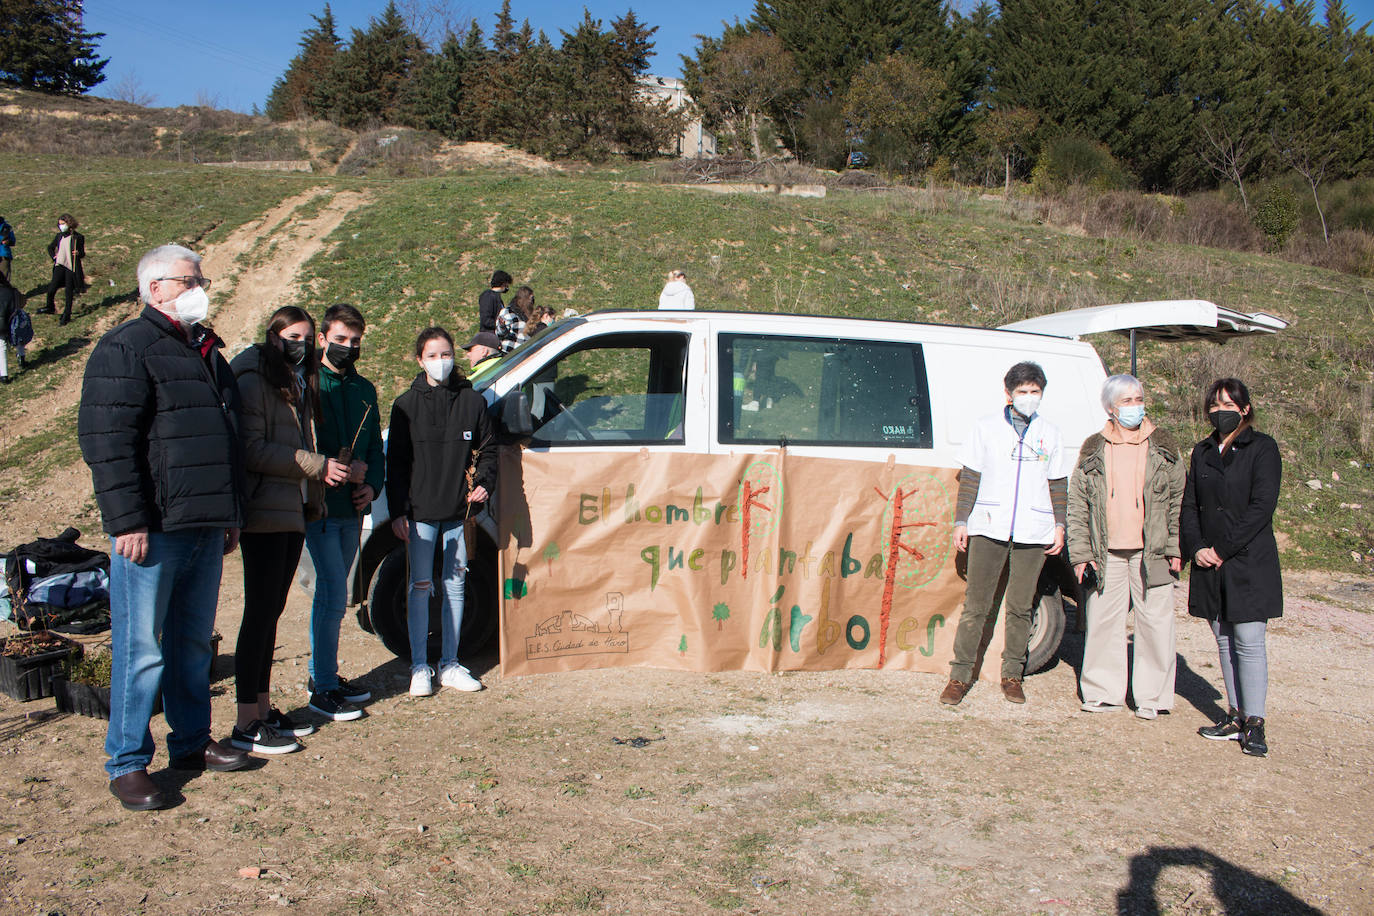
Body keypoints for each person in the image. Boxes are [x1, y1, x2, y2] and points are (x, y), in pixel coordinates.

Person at [77, 244, 251, 811]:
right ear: (156, 289)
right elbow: (107, 442)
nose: (201, 288)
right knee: (141, 649)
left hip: (204, 524)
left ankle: (191, 742)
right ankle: (128, 762)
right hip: (153, 529)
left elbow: (227, 444)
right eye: (190, 280)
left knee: (192, 644)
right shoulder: (127, 348)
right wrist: (127, 519)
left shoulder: (206, 352)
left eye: (200, 279)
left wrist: (229, 515)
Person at [229, 306, 346, 754]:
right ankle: (245, 723)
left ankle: (261, 709)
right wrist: (316, 467)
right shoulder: (252, 380)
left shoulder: (294, 382)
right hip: (264, 509)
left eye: (306, 336)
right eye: (292, 335)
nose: (299, 343)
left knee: (272, 614)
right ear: (273, 336)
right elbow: (253, 449)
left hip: (292, 509)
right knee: (258, 615)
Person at [940, 361, 1069, 706]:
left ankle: (1012, 674)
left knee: (1020, 606)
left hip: (1033, 529)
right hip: (988, 524)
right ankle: (959, 675)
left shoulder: (1051, 433)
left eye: (1035, 392)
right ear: (1008, 393)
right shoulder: (985, 428)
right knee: (976, 606)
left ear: (1042, 394)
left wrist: (1059, 524)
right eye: (1022, 392)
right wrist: (961, 521)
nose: (1029, 397)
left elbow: (1058, 484)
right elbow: (970, 479)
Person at [385, 327, 497, 697]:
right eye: (432, 355)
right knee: (420, 586)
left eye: (446, 353)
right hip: (419, 514)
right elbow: (396, 463)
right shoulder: (405, 405)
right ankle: (420, 666)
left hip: (460, 513)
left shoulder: (472, 402)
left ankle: (450, 663)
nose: (441, 361)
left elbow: (489, 450)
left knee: (456, 585)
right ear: (420, 360)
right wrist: (399, 510)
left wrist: (484, 482)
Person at [1067, 375, 1185, 719]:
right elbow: (1078, 504)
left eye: (1138, 398)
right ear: (1111, 408)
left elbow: (1177, 499)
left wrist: (1175, 547)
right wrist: (1081, 553)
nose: (1135, 406)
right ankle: (1103, 693)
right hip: (1107, 553)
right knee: (1103, 622)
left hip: (1153, 550)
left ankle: (1152, 696)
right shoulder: (1093, 447)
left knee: (1156, 623)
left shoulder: (1163, 445)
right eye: (1127, 401)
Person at [1181, 378, 1281, 758]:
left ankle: (1255, 722)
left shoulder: (1263, 448)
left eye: (1228, 403)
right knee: (1223, 639)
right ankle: (1235, 715)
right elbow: (1190, 505)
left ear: (1244, 408)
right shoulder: (1202, 451)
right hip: (1209, 562)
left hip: (1247, 562)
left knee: (1250, 642)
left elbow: (1261, 507)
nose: (1220, 410)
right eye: (1214, 404)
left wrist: (1221, 549)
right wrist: (1197, 547)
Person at [304, 303, 383, 721]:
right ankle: (323, 685)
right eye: (339, 340)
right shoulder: (307, 383)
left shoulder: (364, 390)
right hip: (317, 506)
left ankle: (327, 676)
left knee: (338, 594)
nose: (347, 348)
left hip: (351, 508)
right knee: (332, 591)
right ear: (322, 339)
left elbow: (373, 449)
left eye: (354, 342)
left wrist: (371, 485)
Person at [42, 213, 85, 326]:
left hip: (70, 267)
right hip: (59, 265)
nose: (61, 226)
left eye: (63, 224)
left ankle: (67, 315)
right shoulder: (59, 236)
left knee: (68, 292)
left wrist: (78, 253)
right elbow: (50, 247)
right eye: (59, 224)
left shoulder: (78, 237)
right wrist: (54, 257)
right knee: (52, 288)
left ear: (69, 224)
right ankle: (50, 306)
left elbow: (82, 253)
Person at [0, 273, 25, 382]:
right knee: (18, 337)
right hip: (11, 320)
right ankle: (21, 358)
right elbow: (22, 303)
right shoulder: (12, 291)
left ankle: (4, 374)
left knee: (2, 346)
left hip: (1, 324)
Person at [496, 285, 533, 352]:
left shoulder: (529, 315)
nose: (532, 301)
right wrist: (502, 326)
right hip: (510, 351)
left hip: (525, 351)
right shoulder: (508, 312)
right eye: (531, 298)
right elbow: (499, 333)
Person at [0, 215, 15, 282]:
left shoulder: (6, 227)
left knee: (4, 280)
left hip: (4, 256)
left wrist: (8, 241)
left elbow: (13, 241)